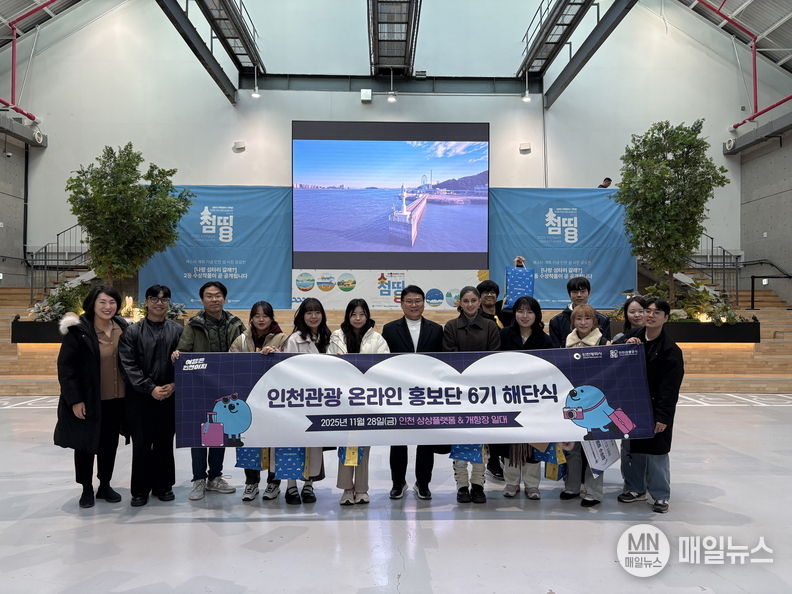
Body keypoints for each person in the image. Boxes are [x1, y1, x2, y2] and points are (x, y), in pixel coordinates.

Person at [55, 285, 128, 509]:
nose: (108, 307)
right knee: (85, 444)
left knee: (109, 444)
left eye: (112, 302)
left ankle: (104, 485)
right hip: (88, 400)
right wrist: (75, 400)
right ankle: (86, 487)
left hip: (117, 399)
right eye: (102, 302)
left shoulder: (123, 327)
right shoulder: (79, 331)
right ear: (92, 304)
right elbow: (66, 368)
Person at [173, 281, 244, 501]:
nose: (214, 299)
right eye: (209, 296)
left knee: (219, 432)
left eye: (218, 295)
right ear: (202, 300)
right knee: (200, 433)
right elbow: (183, 352)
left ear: (225, 298)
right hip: (199, 387)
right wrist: (177, 355)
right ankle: (198, 479)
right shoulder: (194, 325)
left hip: (225, 389)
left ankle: (215, 477)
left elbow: (246, 349)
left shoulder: (236, 324)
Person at [118, 284, 183, 507]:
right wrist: (150, 388)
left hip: (169, 397)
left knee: (165, 443)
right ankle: (140, 490)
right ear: (146, 302)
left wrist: (174, 384)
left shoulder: (178, 330)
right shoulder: (132, 332)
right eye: (154, 299)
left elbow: (186, 360)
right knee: (142, 445)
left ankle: (164, 486)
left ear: (169, 303)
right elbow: (128, 366)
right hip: (141, 399)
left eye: (164, 299)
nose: (159, 303)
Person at [618, 298, 684, 514]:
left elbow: (670, 389)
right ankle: (636, 489)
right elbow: (614, 359)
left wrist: (663, 416)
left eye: (657, 312)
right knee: (632, 450)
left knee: (657, 453)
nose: (650, 315)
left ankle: (661, 495)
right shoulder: (632, 336)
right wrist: (625, 347)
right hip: (632, 405)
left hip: (655, 408)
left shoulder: (670, 351)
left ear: (666, 318)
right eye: (648, 311)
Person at [381, 285, 444, 500]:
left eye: (418, 301)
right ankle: (398, 482)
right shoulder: (390, 329)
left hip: (427, 395)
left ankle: (423, 483)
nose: (414, 305)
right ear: (401, 303)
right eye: (409, 301)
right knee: (398, 440)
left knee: (426, 441)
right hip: (399, 394)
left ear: (424, 303)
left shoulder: (437, 329)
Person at [328, 298, 389, 505]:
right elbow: (326, 365)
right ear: (348, 316)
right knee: (345, 444)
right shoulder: (336, 336)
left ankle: (362, 489)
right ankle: (347, 488)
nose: (358, 318)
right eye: (353, 314)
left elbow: (384, 366)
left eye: (362, 314)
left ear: (367, 316)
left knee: (363, 445)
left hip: (366, 400)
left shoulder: (377, 339)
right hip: (343, 400)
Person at [443, 285, 500, 504]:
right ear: (460, 302)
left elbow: (493, 357)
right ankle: (461, 485)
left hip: (483, 394)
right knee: (460, 440)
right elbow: (449, 356)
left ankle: (478, 484)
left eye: (473, 300)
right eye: (465, 301)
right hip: (458, 395)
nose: (469, 304)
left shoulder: (490, 326)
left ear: (479, 302)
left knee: (480, 441)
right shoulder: (451, 326)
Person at [229, 301, 287, 503]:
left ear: (271, 318)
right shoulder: (242, 340)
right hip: (248, 400)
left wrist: (277, 355)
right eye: (257, 316)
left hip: (273, 401)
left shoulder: (282, 338)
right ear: (251, 318)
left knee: (274, 441)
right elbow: (231, 364)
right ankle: (251, 482)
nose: (261, 320)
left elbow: (290, 366)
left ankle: (274, 482)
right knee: (248, 441)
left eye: (265, 316)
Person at [497, 296, 553, 500]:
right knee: (509, 441)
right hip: (508, 398)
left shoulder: (545, 340)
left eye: (530, 311)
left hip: (534, 400)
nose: (525, 316)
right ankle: (511, 482)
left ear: (537, 315)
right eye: (520, 311)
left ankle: (532, 484)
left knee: (533, 441)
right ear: (515, 314)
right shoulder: (504, 335)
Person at [280, 297, 331, 505]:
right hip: (298, 401)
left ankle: (309, 485)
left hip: (321, 401)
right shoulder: (294, 340)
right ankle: (291, 486)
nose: (313, 316)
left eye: (317, 312)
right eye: (309, 312)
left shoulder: (330, 338)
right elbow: (287, 371)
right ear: (302, 316)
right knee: (293, 443)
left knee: (314, 446)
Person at [560, 304, 609, 507]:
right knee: (572, 447)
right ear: (573, 321)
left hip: (596, 405)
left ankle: (593, 492)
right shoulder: (567, 343)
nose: (582, 322)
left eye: (587, 318)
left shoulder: (604, 343)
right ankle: (572, 487)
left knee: (595, 448)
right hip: (573, 402)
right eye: (578, 318)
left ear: (594, 321)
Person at [548, 277, 611, 348]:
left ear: (589, 293)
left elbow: (606, 349)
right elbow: (555, 351)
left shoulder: (602, 320)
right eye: (575, 292)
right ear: (569, 294)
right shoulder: (556, 321)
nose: (579, 295)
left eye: (583, 291)